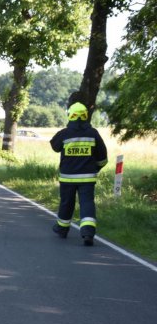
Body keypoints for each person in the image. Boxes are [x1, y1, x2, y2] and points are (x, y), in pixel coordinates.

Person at [50, 92, 108, 246]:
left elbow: (54, 146)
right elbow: (103, 158)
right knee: (87, 203)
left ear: (70, 115)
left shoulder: (65, 133)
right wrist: (95, 169)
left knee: (66, 203)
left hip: (67, 178)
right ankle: (88, 233)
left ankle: (62, 229)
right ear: (85, 115)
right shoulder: (93, 133)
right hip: (88, 178)